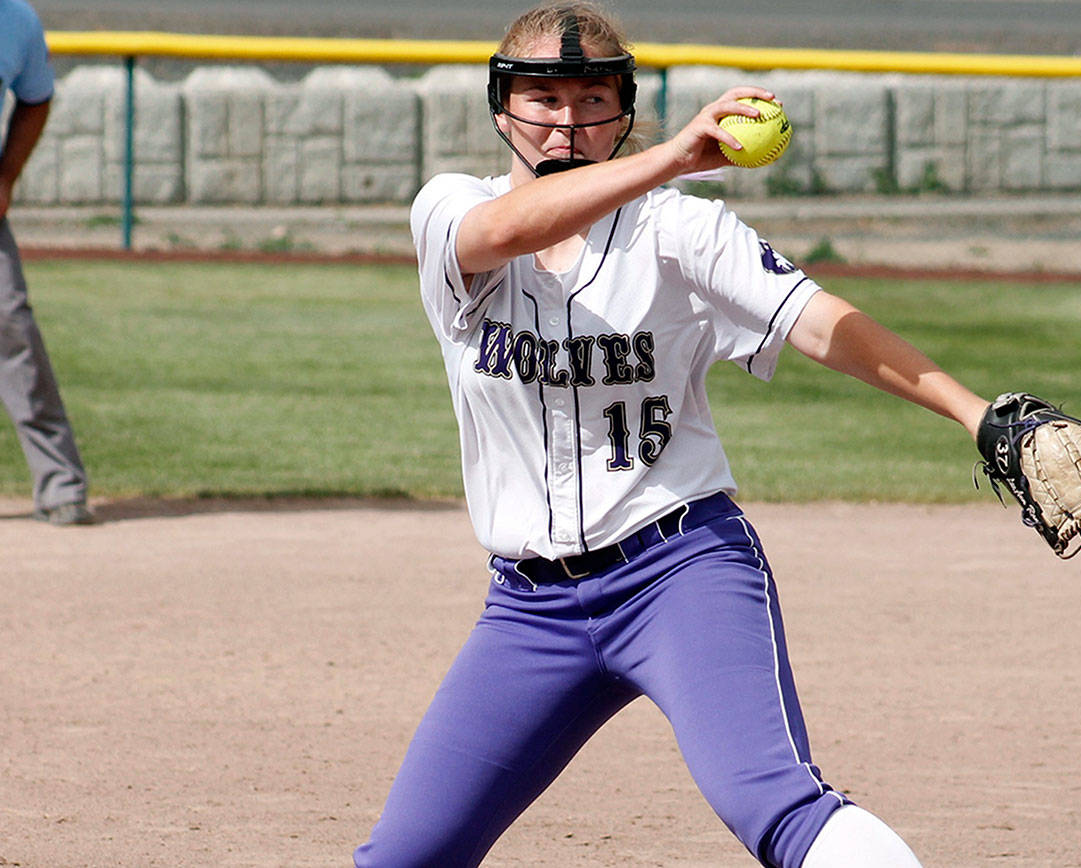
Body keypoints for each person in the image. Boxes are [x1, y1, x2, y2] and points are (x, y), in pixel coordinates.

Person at [355, 2, 989, 865]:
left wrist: (975, 412)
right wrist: (668, 160)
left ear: (622, 107)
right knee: (407, 855)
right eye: (543, 98)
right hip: (529, 610)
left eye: (591, 98)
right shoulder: (448, 209)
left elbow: (815, 320)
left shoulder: (679, 228)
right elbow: (508, 230)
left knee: (773, 802)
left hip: (679, 570)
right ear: (502, 107)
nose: (566, 122)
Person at [1, 0, 93, 526]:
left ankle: (60, 483)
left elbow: (35, 99)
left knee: (11, 326)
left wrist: (7, 175)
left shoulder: (15, 20)